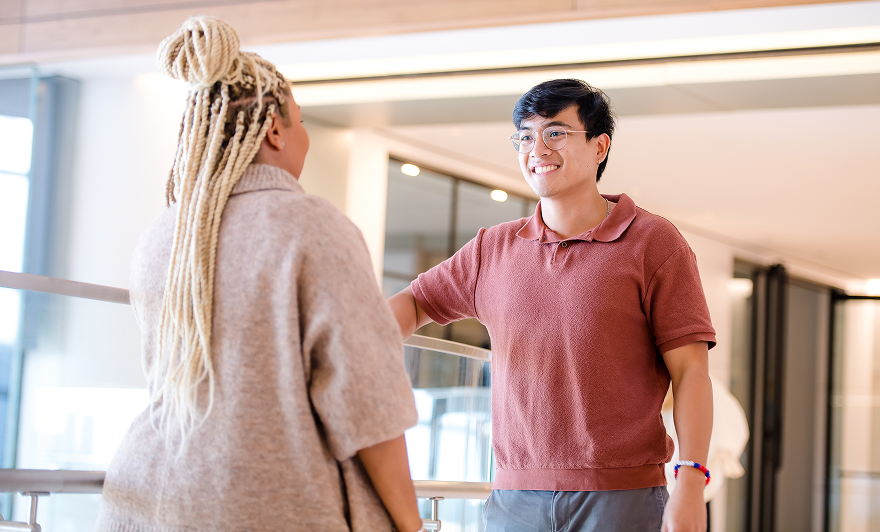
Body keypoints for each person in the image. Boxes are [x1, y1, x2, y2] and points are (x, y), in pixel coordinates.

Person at [96, 16, 424, 532]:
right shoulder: (312, 225)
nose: (305, 135)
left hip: (147, 500)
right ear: (274, 129)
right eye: (300, 120)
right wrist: (412, 524)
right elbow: (367, 406)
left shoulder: (164, 235)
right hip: (271, 502)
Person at [387, 79, 716, 532]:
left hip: (622, 496)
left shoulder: (654, 243)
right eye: (525, 136)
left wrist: (691, 483)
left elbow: (691, 372)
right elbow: (415, 302)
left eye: (555, 133)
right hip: (512, 498)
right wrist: (357, 343)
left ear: (600, 147)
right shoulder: (493, 247)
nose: (536, 148)